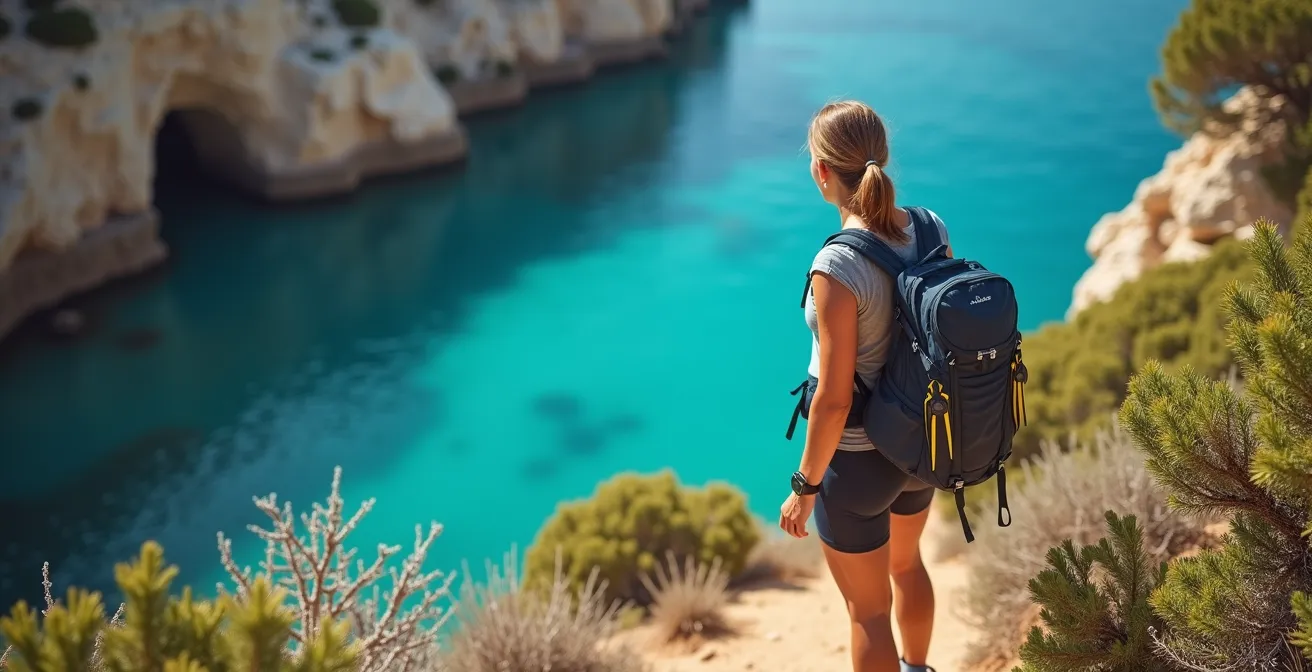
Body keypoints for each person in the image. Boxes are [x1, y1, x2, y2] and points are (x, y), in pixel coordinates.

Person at [778, 100, 950, 672]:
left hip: (857, 462)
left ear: (821, 171)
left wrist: (805, 485)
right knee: (908, 566)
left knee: (868, 611)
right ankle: (920, 667)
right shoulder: (929, 228)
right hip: (919, 443)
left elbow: (833, 399)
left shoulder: (837, 267)